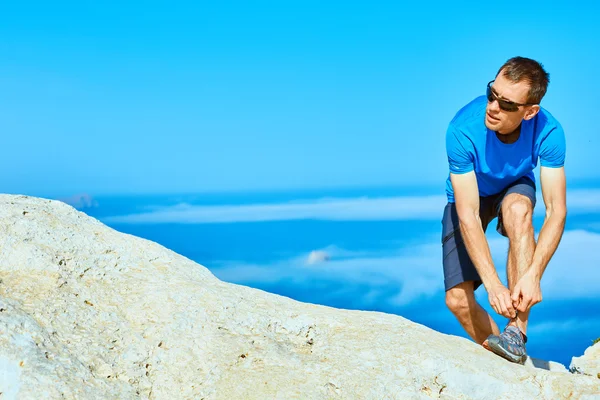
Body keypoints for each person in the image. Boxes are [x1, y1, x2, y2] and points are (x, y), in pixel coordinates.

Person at [441, 56, 567, 364]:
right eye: (491, 94)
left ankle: (515, 334)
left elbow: (556, 211)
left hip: (515, 184)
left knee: (518, 211)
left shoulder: (549, 132)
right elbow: (468, 214)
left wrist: (534, 274)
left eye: (507, 104)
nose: (493, 107)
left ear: (529, 112)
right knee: (457, 299)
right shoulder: (462, 129)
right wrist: (495, 285)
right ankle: (504, 360)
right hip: (471, 194)